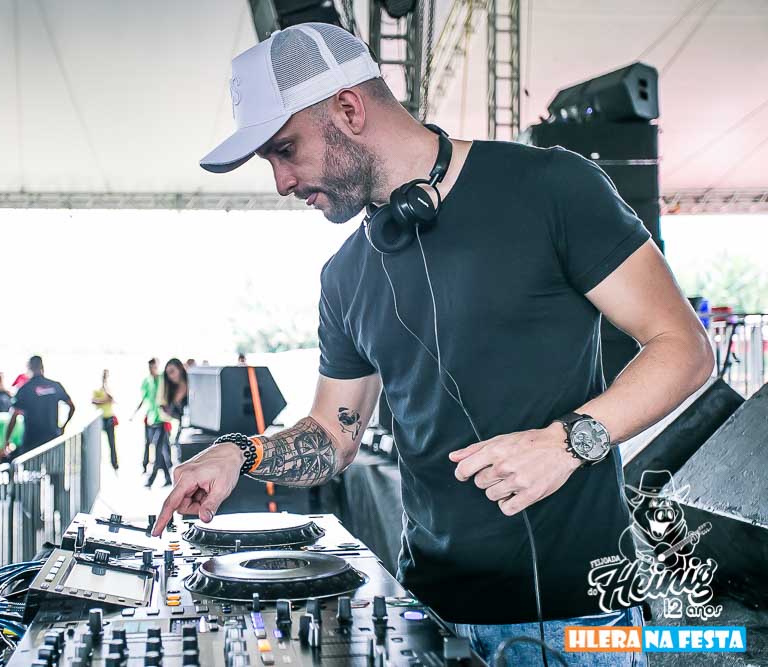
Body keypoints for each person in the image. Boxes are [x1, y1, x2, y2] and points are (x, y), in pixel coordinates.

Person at [155, 23, 713, 666]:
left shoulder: (553, 187)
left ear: (349, 109)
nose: (281, 181)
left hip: (581, 617)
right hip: (430, 609)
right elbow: (333, 436)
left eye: (285, 149)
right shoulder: (344, 276)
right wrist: (240, 453)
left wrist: (567, 442)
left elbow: (683, 346)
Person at [6, 355, 75, 457]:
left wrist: (7, 440)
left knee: (31, 467)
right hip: (52, 437)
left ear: (29, 368)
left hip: (31, 441)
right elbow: (72, 406)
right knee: (54, 466)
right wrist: (62, 427)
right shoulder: (55, 386)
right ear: (42, 367)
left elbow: (14, 416)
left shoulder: (24, 389)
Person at [147, 358, 187, 485]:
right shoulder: (170, 389)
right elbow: (173, 413)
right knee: (161, 448)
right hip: (171, 425)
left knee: (160, 448)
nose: (171, 376)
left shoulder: (192, 384)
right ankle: (164, 478)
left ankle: (155, 478)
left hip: (185, 430)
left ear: (180, 369)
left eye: (172, 371)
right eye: (168, 373)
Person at [132, 358, 161, 473]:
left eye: (153, 367)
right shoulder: (146, 381)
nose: (151, 369)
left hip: (161, 419)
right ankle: (145, 465)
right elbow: (143, 399)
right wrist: (134, 413)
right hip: (150, 418)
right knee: (148, 443)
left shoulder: (162, 380)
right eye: (150, 367)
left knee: (160, 445)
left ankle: (159, 467)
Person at [92, 369, 119, 471]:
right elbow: (94, 401)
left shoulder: (109, 388)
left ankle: (114, 463)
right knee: (96, 442)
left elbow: (111, 398)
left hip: (109, 418)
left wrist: (105, 388)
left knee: (112, 442)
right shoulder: (96, 389)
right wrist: (104, 400)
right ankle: (96, 463)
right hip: (100, 419)